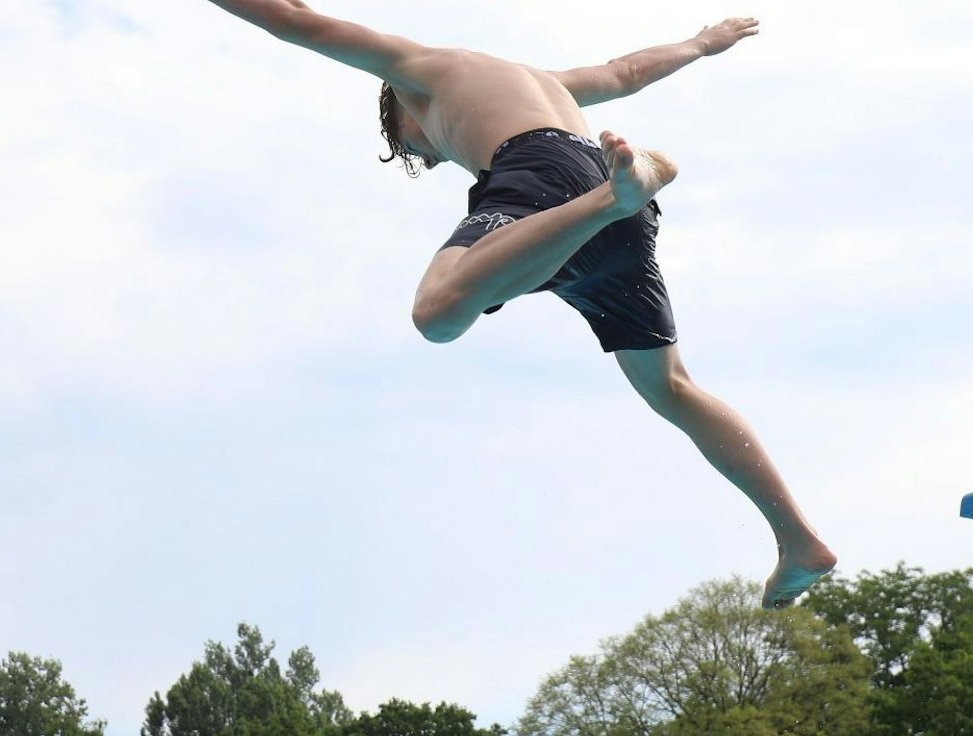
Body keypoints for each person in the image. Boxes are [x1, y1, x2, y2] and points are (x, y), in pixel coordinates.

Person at [199, 1, 836, 608]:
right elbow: (625, 73)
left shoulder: (417, 70)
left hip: (546, 174)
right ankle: (797, 540)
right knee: (671, 386)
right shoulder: (542, 81)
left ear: (404, 112)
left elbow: (293, 19)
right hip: (607, 184)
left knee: (439, 310)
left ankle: (611, 199)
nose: (433, 157)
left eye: (416, 151)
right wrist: (703, 42)